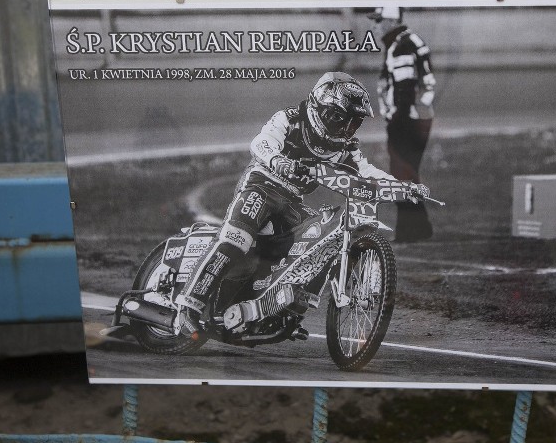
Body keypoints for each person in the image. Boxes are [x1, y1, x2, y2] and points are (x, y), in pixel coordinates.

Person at [174, 72, 428, 336]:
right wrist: (278, 161)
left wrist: (402, 187)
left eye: (355, 123)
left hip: (292, 202)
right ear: (323, 108)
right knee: (236, 239)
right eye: (342, 119)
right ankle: (188, 307)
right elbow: (260, 143)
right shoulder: (290, 118)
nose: (346, 128)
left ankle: (281, 311)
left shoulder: (345, 146)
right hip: (261, 186)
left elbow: (365, 171)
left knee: (319, 242)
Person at [368, 6, 437, 242]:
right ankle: (418, 229)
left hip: (408, 118)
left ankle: (412, 232)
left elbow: (405, 86)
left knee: (402, 175)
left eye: (378, 21)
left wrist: (396, 119)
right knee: (407, 174)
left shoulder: (400, 46)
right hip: (419, 116)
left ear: (390, 21)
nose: (374, 26)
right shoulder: (406, 41)